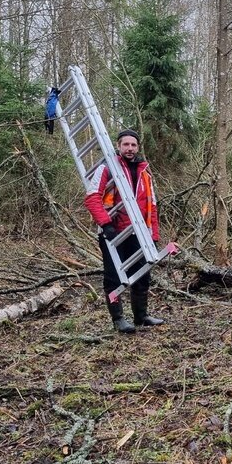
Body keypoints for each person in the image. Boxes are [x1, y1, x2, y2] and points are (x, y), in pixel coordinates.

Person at [84, 129, 165, 333]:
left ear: (138, 147)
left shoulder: (145, 172)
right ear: (118, 146)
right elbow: (92, 198)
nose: (130, 148)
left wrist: (153, 235)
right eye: (126, 144)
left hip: (139, 232)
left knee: (142, 272)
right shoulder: (107, 168)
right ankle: (118, 319)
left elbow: (152, 206)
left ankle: (141, 316)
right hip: (114, 232)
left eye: (133, 145)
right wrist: (106, 225)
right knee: (113, 276)